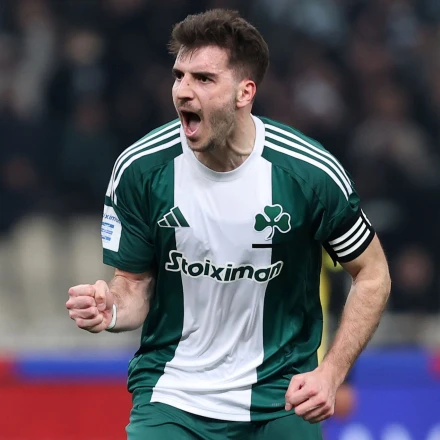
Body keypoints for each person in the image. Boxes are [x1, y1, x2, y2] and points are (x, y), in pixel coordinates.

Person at [66, 9, 391, 440]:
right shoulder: (140, 169)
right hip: (172, 397)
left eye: (203, 79)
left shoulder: (309, 174)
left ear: (245, 92)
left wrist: (331, 372)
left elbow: (373, 274)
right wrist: (110, 308)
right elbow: (133, 285)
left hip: (280, 396)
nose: (183, 91)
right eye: (179, 76)